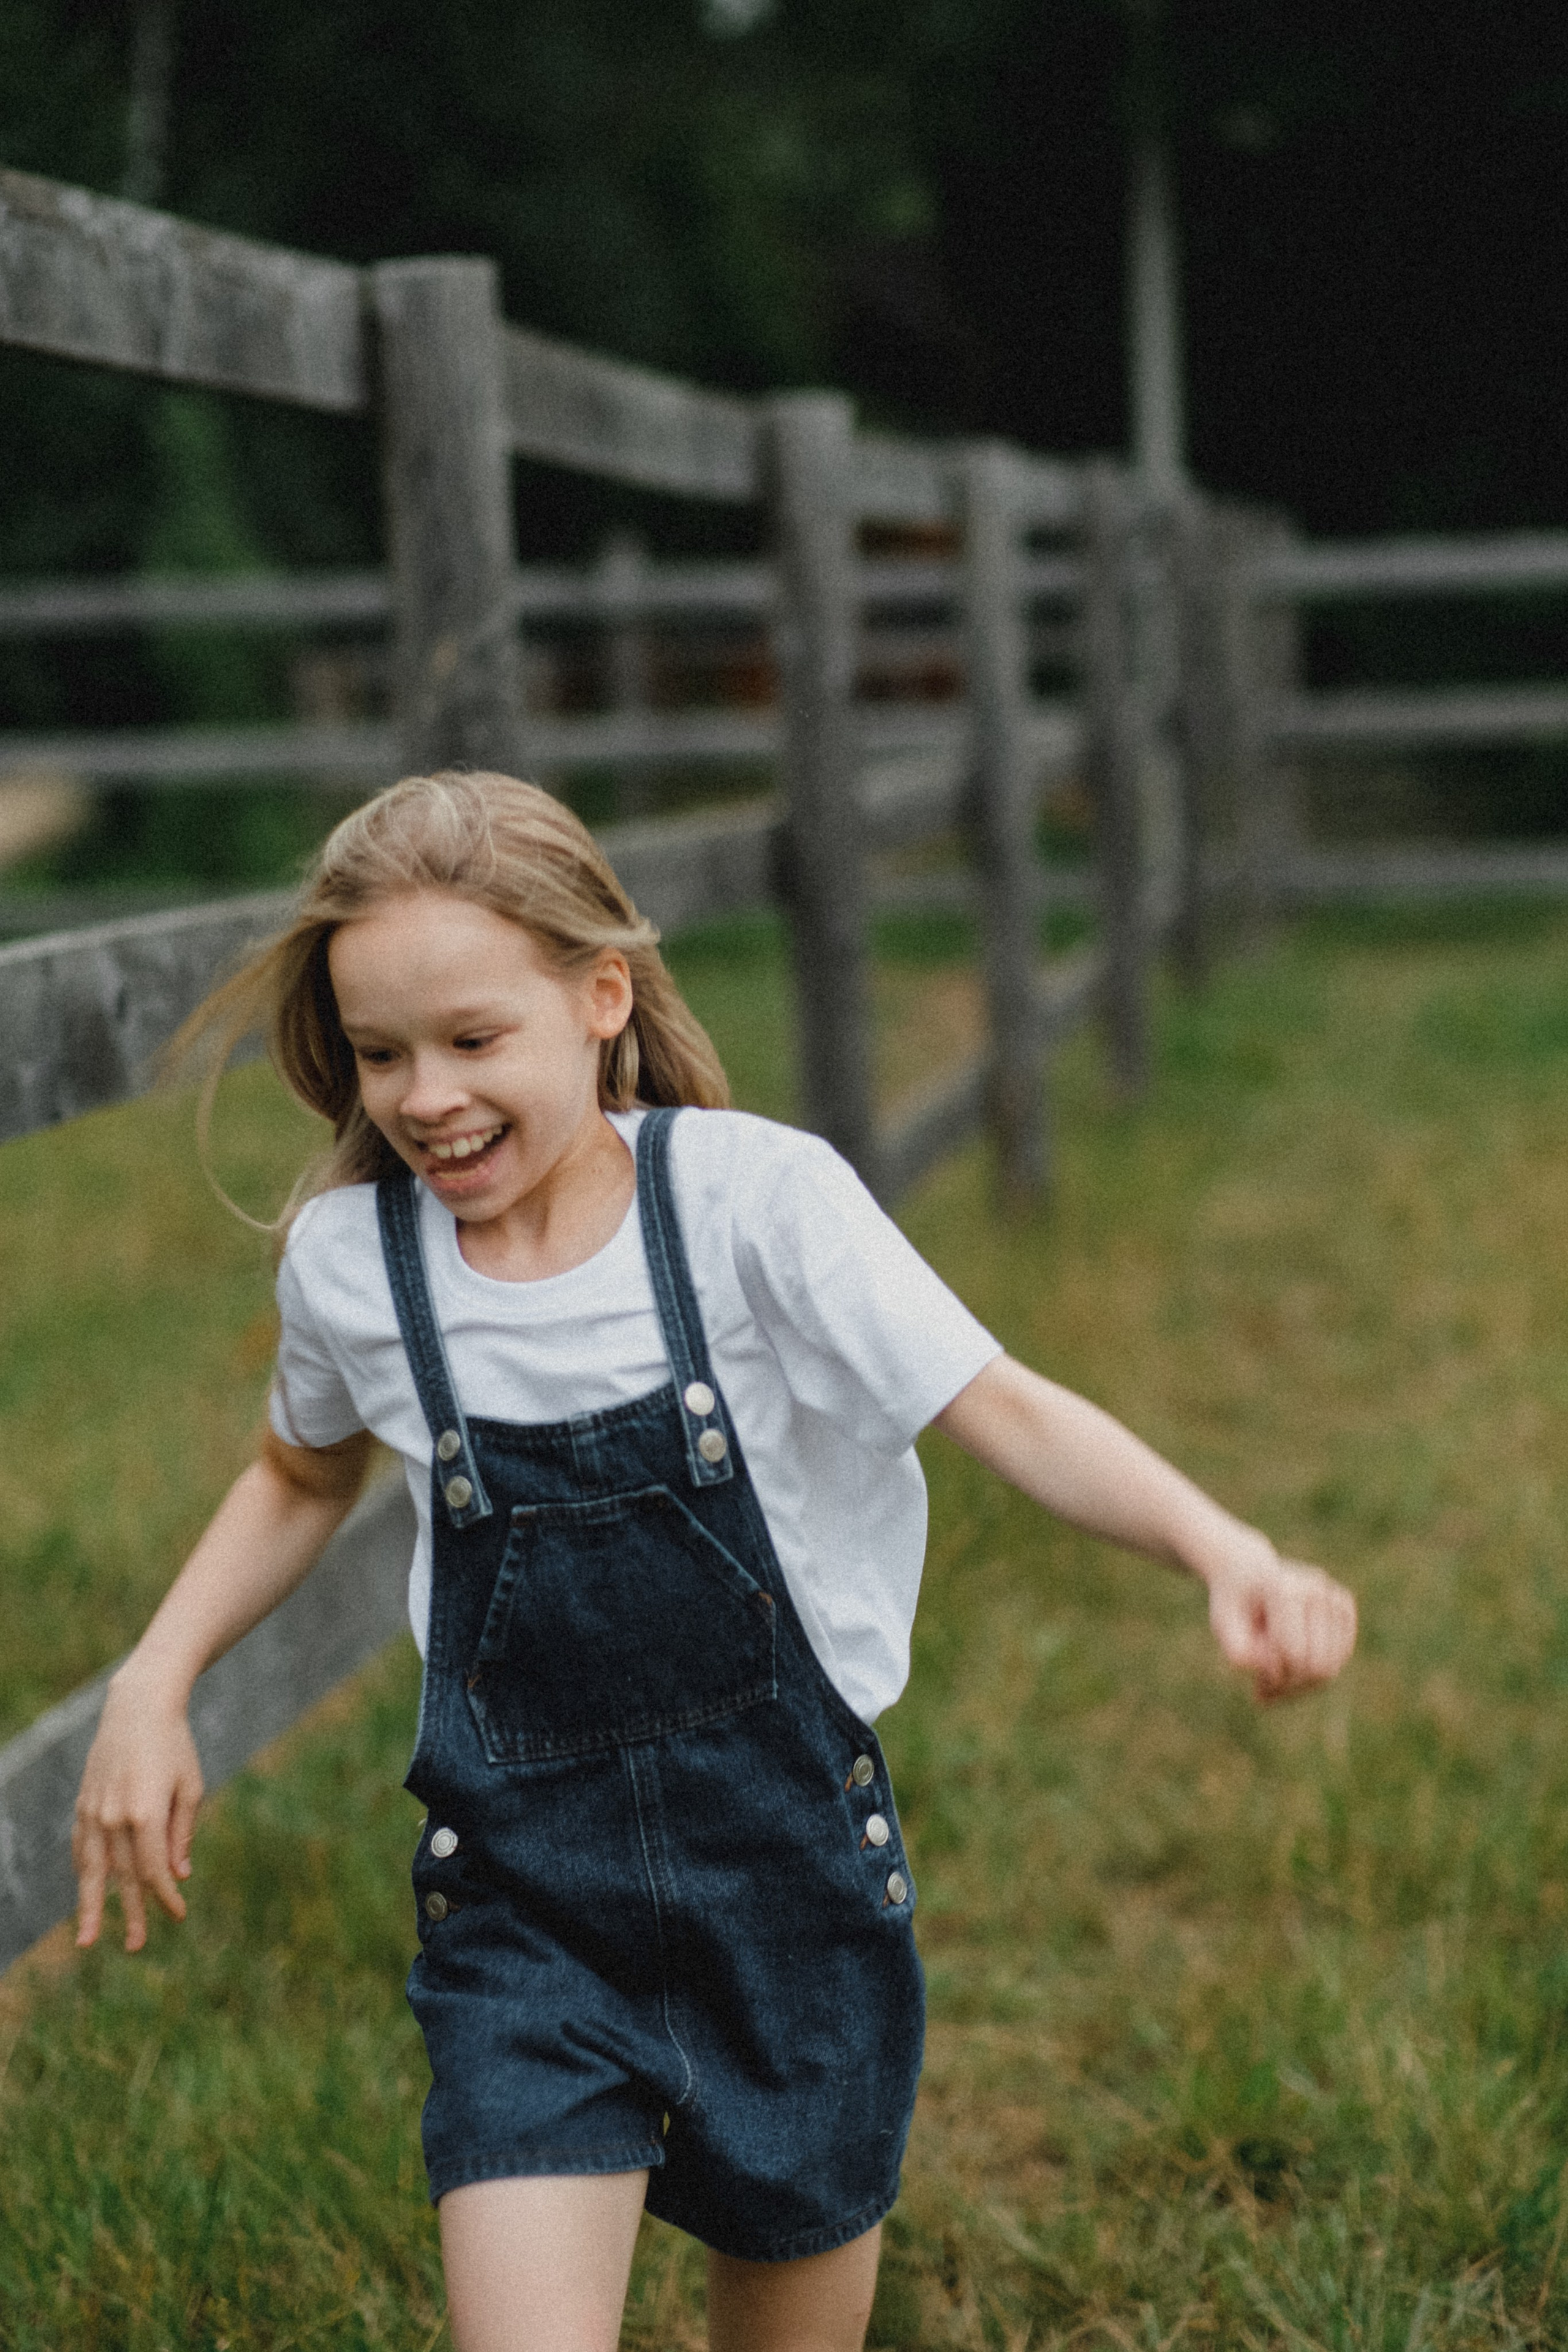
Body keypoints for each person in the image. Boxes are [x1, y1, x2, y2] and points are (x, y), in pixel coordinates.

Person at [72, 771, 1356, 2352]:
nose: (424, 1097)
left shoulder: (753, 1205)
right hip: (529, 1918)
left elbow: (1002, 1406)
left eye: (473, 1039)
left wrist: (1226, 1550)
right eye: (381, 1053)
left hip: (788, 1895)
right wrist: (155, 1679)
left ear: (601, 999)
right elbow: (296, 1474)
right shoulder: (359, 1267)